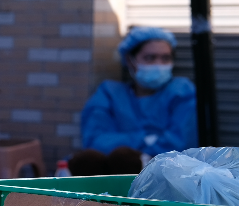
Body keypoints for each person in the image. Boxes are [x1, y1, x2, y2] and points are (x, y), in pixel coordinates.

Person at [80, 26, 197, 157]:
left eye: (165, 58)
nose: (158, 64)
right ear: (130, 60)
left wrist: (125, 143)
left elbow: (181, 145)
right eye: (150, 58)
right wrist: (145, 139)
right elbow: (95, 142)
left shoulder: (182, 91)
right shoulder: (109, 94)